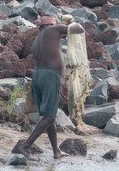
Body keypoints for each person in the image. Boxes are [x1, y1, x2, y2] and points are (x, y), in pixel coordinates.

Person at [19, 15, 84, 159]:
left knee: (49, 117)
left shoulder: (38, 39)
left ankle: (56, 151)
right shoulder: (54, 29)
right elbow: (79, 29)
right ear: (52, 24)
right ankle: (26, 146)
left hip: (37, 76)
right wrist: (71, 21)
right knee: (49, 117)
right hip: (50, 76)